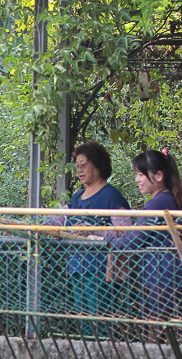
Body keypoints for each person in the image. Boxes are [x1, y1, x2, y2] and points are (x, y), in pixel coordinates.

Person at [105, 150, 182, 339]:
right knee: (180, 336)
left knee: (156, 340)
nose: (137, 179)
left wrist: (105, 239)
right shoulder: (172, 199)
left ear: (158, 176)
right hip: (177, 277)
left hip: (162, 279)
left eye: (140, 174)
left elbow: (132, 242)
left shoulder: (158, 203)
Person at [62, 141, 131, 338]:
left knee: (99, 322)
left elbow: (125, 232)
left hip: (101, 269)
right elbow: (55, 219)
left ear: (97, 164)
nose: (79, 171)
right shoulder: (77, 197)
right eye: (77, 166)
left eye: (83, 165)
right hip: (77, 267)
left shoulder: (112, 196)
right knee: (84, 323)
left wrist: (93, 231)